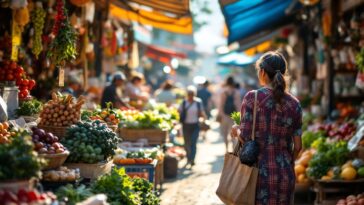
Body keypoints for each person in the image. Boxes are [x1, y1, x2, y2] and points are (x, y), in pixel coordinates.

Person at [231, 51, 302, 205]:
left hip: (257, 175)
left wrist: (236, 129)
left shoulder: (252, 98)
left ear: (262, 72)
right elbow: (298, 146)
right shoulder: (295, 103)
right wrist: (287, 162)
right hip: (285, 175)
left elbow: (245, 136)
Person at [179, 86, 206, 168]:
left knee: (193, 143)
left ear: (194, 94)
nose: (190, 96)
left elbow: (201, 112)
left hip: (195, 125)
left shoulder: (198, 102)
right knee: (186, 143)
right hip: (186, 125)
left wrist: (204, 120)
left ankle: (192, 159)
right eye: (189, 94)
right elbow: (179, 112)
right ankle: (188, 158)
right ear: (187, 94)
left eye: (192, 94)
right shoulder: (184, 103)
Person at [217, 76, 241, 153]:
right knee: (234, 133)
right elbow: (238, 105)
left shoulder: (223, 92)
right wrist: (238, 117)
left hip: (225, 115)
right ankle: (233, 148)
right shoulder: (236, 92)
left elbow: (221, 105)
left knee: (225, 133)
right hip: (234, 116)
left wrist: (221, 114)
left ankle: (226, 149)